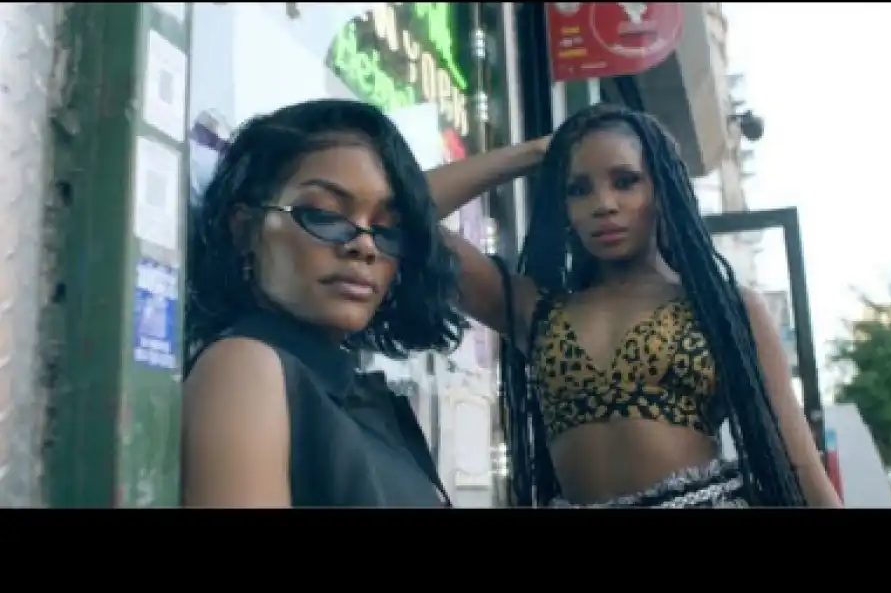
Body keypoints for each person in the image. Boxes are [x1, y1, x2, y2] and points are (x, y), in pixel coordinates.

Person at [426, 102, 842, 508]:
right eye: (578, 189)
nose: (603, 204)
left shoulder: (724, 308)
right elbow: (406, 213)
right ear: (563, 207)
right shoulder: (534, 310)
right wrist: (536, 152)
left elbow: (800, 464)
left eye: (625, 181)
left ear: (662, 190)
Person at [181, 99, 466, 508]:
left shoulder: (354, 393)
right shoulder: (246, 367)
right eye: (324, 214)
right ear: (245, 229)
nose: (365, 246)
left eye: (387, 228)